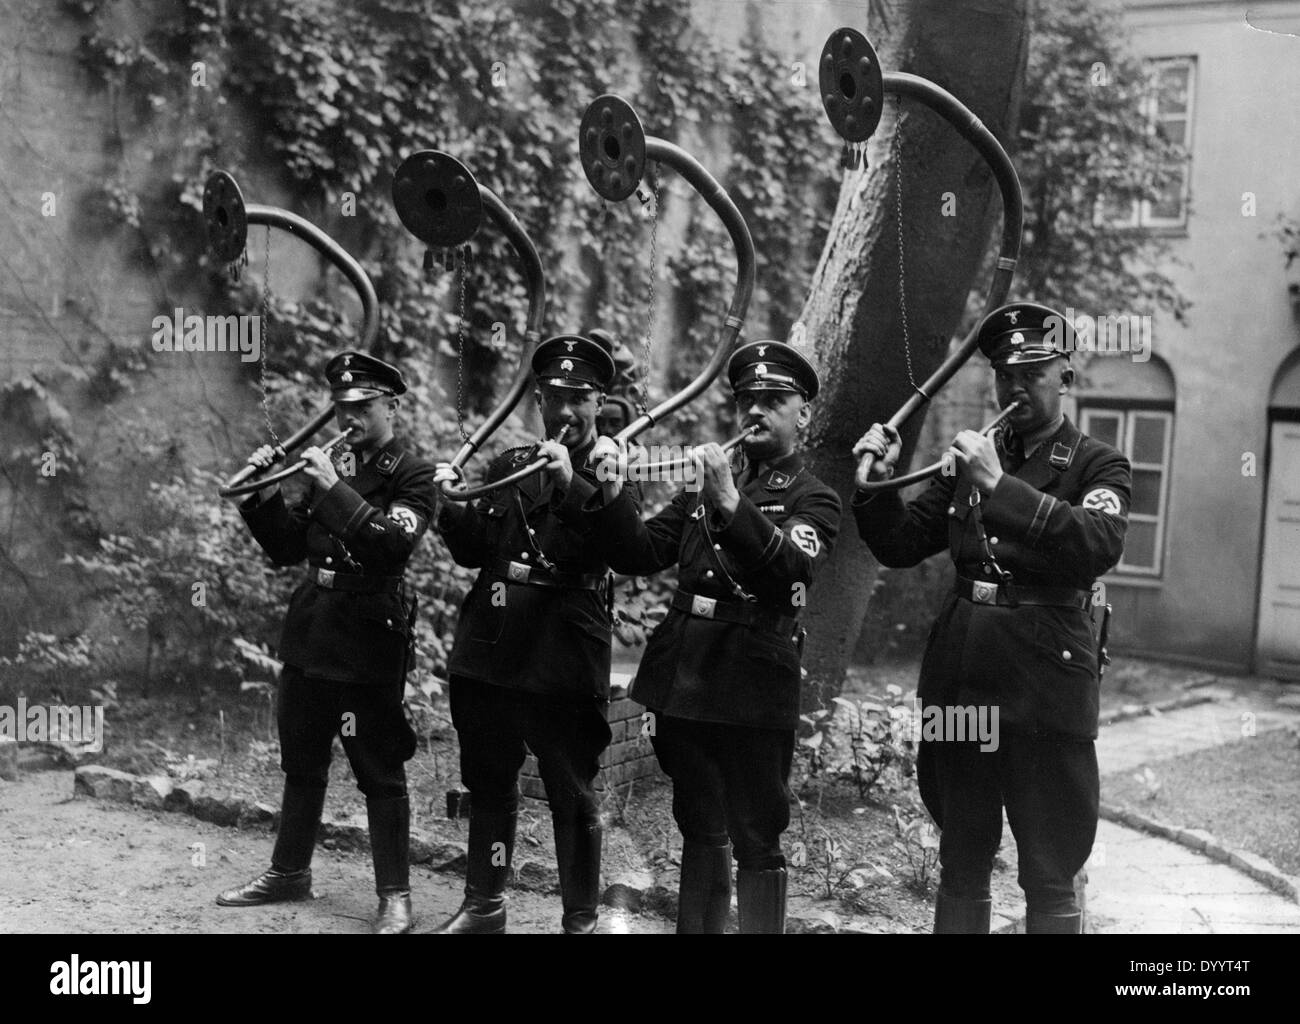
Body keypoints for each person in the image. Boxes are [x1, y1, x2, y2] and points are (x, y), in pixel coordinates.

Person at [851, 301, 1131, 934]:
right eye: (1005, 373)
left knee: (1050, 864)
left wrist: (999, 486)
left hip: (1044, 689)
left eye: (1033, 372)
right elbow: (902, 545)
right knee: (962, 854)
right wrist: (880, 479)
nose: (1016, 386)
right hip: (964, 681)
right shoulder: (965, 462)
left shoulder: (1099, 463)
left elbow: (1095, 542)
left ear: (1067, 377)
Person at [589, 340, 840, 934]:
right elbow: (639, 552)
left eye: (773, 400)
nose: (755, 411)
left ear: (802, 413)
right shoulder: (703, 488)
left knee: (756, 830)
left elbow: (793, 577)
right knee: (698, 820)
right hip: (687, 679)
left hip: (753, 688)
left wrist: (728, 497)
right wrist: (610, 489)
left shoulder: (814, 497)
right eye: (746, 401)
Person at [217, 350, 439, 935]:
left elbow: (391, 546)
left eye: (363, 405)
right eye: (342, 405)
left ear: (392, 405)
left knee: (378, 768)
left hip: (368, 639)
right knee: (302, 762)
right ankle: (289, 872)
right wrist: (259, 495)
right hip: (312, 631)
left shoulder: (413, 473)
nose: (351, 415)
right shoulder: (332, 464)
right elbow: (290, 549)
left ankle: (395, 895)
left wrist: (333, 486)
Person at [430, 332, 638, 934]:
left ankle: (580, 919)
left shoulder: (613, 471)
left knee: (570, 790)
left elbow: (622, 547)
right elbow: (475, 552)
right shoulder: (511, 464)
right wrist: (450, 505)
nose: (566, 411)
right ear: (539, 402)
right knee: (490, 780)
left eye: (579, 398)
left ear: (599, 401)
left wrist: (574, 481)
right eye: (553, 397)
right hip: (494, 650)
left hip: (563, 657)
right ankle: (484, 906)